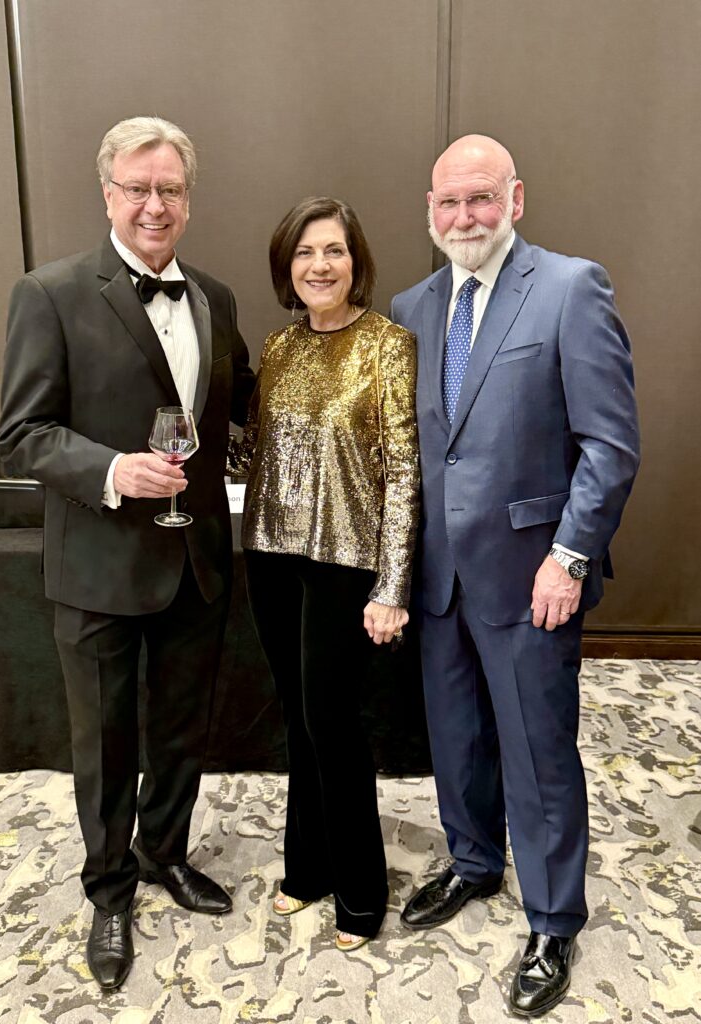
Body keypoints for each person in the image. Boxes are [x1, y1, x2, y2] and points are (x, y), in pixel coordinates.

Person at [0, 116, 255, 991]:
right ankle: (108, 892)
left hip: (197, 559)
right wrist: (112, 470)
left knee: (181, 728)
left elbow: (247, 409)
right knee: (104, 743)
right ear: (108, 192)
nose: (155, 204)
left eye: (170, 189)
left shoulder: (215, 298)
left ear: (189, 199)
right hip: (99, 563)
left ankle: (165, 853)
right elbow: (21, 436)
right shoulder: (50, 291)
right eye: (138, 188)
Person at [390, 136, 639, 1016]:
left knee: (537, 754)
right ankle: (471, 864)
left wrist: (567, 558)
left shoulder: (571, 288)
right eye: (448, 203)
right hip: (436, 579)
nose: (463, 217)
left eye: (479, 199)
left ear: (515, 199)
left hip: (533, 575)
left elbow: (609, 446)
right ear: (429, 210)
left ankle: (553, 916)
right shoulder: (409, 307)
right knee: (454, 737)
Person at [230, 196, 420, 952]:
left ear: (355, 260)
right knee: (297, 719)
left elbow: (403, 473)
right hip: (273, 556)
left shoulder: (387, 345)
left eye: (333, 250)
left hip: (347, 563)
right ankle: (306, 869)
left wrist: (393, 585)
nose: (319, 265)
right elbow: (259, 455)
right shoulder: (277, 347)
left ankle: (362, 890)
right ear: (287, 266)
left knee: (332, 725)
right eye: (305, 253)